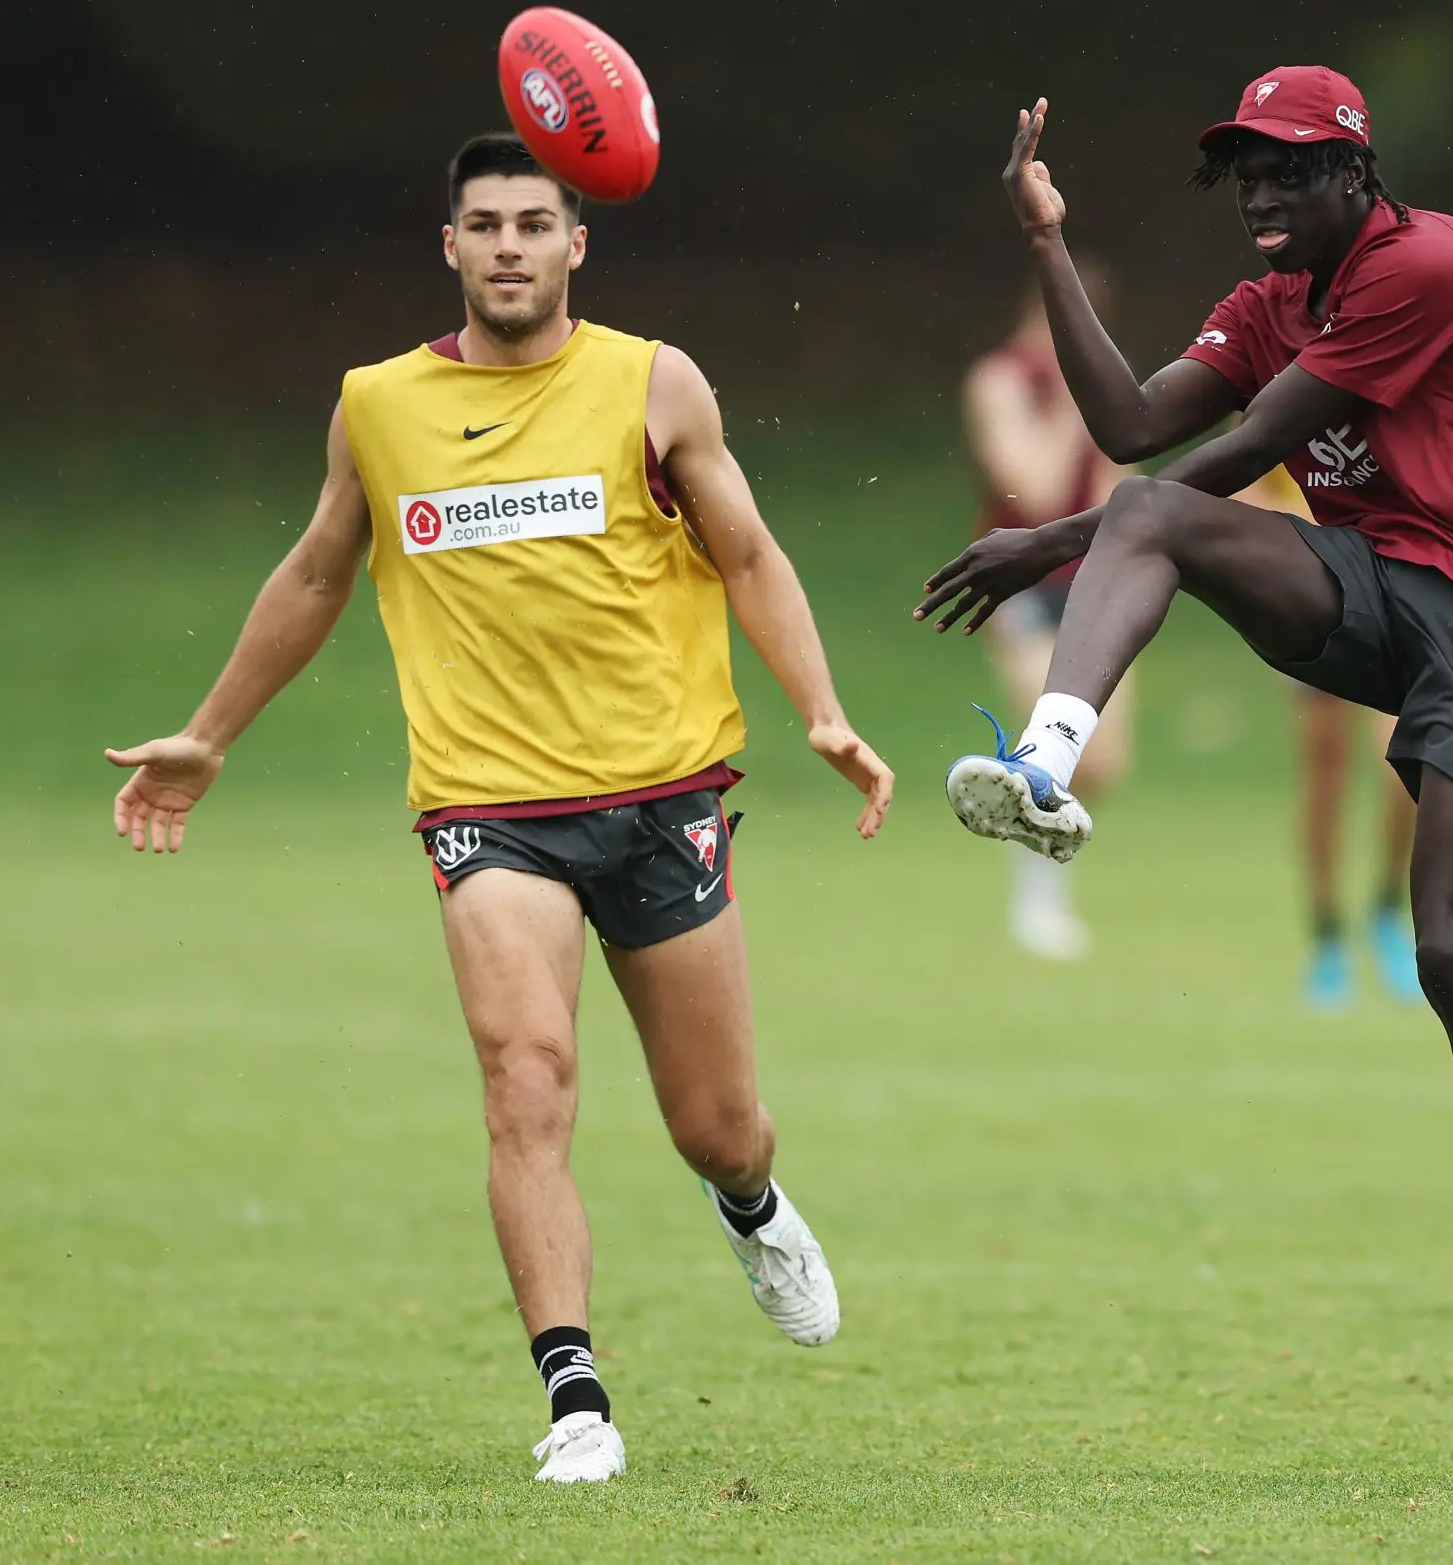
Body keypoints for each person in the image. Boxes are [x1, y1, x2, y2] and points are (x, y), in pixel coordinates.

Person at [105, 134, 893, 1485]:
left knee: (719, 1123)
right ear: (452, 247)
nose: (513, 244)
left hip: (663, 792)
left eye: (537, 221)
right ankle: (576, 1391)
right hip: (489, 808)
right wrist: (208, 731)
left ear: (578, 243)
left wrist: (819, 706)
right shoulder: (379, 405)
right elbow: (312, 574)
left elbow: (749, 551)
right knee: (525, 1075)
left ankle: (750, 1201)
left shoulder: (655, 382)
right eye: (487, 224)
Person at [917, 69, 1453, 1489]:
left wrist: (1045, 548)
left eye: (1288, 170)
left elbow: (1250, 448)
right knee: (1151, 512)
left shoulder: (1426, 263)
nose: (1262, 195)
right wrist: (1044, 239)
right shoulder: (1270, 295)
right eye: (1244, 173)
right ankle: (1044, 763)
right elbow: (1134, 425)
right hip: (1367, 588)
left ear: (1360, 175)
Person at [962, 280, 1133, 959]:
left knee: (1104, 759)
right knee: (1047, 733)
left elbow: (1124, 487)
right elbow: (1027, 486)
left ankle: (1039, 881)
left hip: (1088, 585)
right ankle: (1036, 907)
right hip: (1019, 580)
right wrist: (1071, 403)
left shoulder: (1101, 386)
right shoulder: (1001, 381)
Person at [1239, 466, 1423, 1007]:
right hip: (1311, 602)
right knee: (1325, 779)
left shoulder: (1376, 388)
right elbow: (1246, 483)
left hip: (1390, 595)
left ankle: (1389, 910)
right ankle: (1326, 938)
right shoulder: (1278, 390)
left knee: (1406, 764)